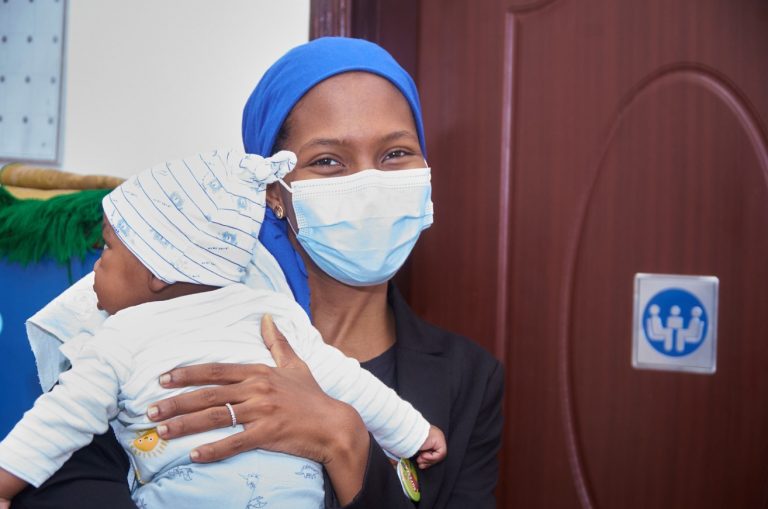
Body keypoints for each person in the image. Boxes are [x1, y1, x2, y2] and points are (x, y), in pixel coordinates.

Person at [11, 37, 503, 509]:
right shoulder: (147, 319)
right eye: (328, 160)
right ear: (273, 193)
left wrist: (343, 439)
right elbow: (58, 483)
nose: (369, 184)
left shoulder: (469, 380)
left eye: (395, 153)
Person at [0, 149, 445, 509]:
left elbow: (58, 422)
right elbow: (347, 382)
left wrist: (4, 484)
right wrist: (414, 432)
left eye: (107, 249)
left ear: (158, 272)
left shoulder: (118, 337)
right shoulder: (272, 313)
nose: (96, 265)